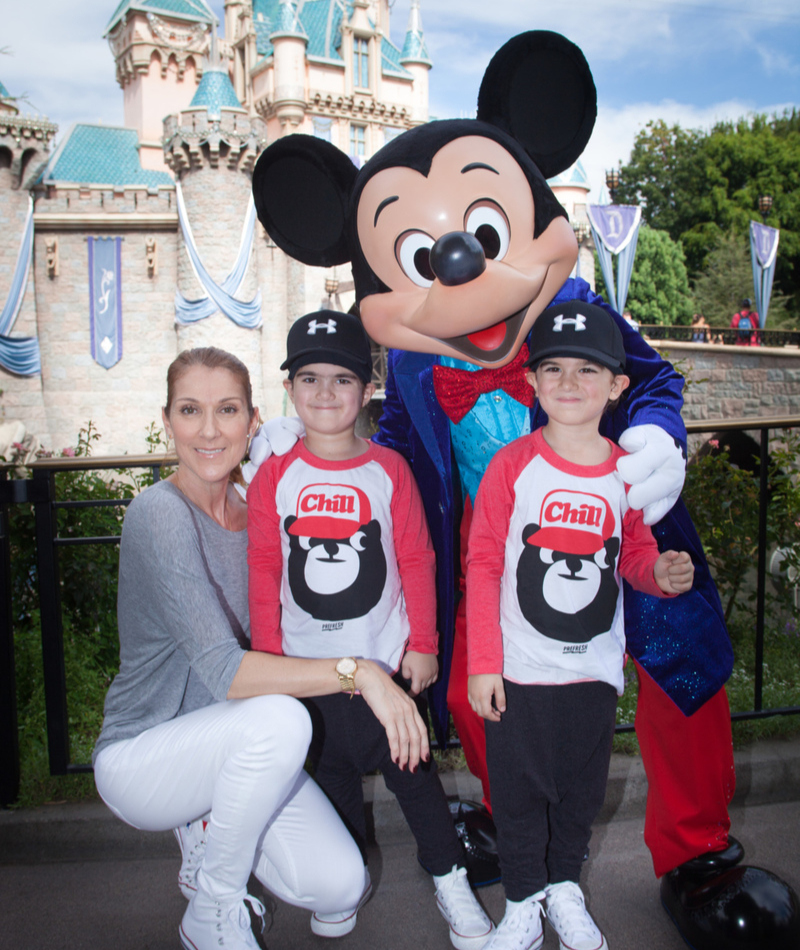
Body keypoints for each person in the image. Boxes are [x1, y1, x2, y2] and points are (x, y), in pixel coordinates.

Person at [93, 346, 430, 950]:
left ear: (253, 423)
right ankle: (214, 901)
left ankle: (214, 819)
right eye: (190, 410)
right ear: (168, 420)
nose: (208, 430)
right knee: (279, 718)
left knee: (342, 886)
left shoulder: (261, 513)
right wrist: (364, 675)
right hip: (146, 752)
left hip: (238, 743)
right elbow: (226, 670)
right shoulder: (158, 514)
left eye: (227, 410)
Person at [247, 311, 495, 950]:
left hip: (385, 669)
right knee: (331, 789)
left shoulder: (388, 469)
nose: (325, 394)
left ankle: (449, 878)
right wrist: (270, 666)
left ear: (367, 387)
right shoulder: (274, 476)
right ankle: (345, 881)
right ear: (290, 388)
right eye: (309, 378)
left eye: (341, 379)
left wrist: (425, 645)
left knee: (419, 787)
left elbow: (417, 558)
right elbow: (265, 572)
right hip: (309, 675)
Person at [466, 301, 694, 950]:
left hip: (593, 672)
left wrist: (661, 575)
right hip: (519, 671)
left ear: (618, 386)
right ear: (532, 383)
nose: (569, 383)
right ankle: (520, 903)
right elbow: (482, 566)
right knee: (515, 799)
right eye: (554, 369)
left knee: (578, 796)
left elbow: (637, 557)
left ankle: (563, 887)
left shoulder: (626, 472)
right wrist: (483, 662)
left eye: (588, 370)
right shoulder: (512, 467)